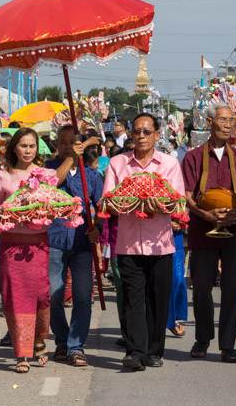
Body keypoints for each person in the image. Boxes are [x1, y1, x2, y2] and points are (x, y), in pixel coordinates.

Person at [103, 113, 185, 371]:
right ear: (130, 134)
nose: (141, 136)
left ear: (157, 135)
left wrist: (157, 204)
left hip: (160, 245)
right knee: (133, 299)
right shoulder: (117, 163)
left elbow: (177, 201)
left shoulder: (169, 164)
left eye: (146, 131)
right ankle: (135, 352)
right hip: (128, 244)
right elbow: (108, 201)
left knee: (158, 299)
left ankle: (154, 350)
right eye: (137, 131)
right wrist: (129, 201)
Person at [182, 103, 236, 363]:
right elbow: (187, 195)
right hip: (202, 228)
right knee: (201, 287)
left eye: (231, 120)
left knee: (233, 288)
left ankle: (228, 345)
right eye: (222, 119)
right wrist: (205, 214)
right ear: (210, 123)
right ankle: (202, 339)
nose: (227, 124)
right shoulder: (193, 157)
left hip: (233, 229)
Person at [0, 128, 57, 373]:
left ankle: (39, 340)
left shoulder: (45, 175)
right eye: (23, 145)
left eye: (32, 146)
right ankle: (22, 352)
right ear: (14, 147)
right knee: (15, 297)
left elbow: (54, 204)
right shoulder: (2, 176)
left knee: (41, 295)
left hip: (38, 244)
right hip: (12, 245)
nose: (28, 150)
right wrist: (5, 214)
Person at [46, 125, 102, 367]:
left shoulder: (90, 175)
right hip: (53, 240)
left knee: (82, 296)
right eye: (63, 142)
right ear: (57, 145)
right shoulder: (47, 169)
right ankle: (61, 340)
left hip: (81, 242)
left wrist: (97, 227)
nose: (67, 146)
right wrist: (70, 158)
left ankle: (76, 345)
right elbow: (52, 184)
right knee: (53, 295)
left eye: (72, 142)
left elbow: (103, 205)